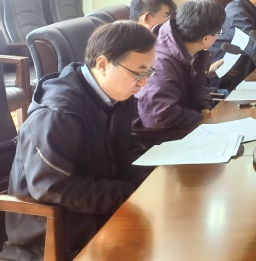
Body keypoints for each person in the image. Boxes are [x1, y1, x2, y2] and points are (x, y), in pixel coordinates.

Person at [2, 21, 156, 261]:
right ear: (103, 64)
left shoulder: (117, 93)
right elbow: (52, 187)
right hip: (55, 237)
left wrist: (153, 176)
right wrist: (131, 194)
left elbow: (125, 147)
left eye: (148, 72)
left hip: (99, 214)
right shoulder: (58, 114)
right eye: (139, 72)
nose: (144, 82)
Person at [134, 0, 226, 130]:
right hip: (160, 136)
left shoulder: (192, 51)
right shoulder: (160, 64)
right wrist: (201, 119)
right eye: (219, 32)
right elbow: (158, 116)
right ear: (205, 39)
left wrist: (205, 106)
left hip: (186, 123)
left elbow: (199, 85)